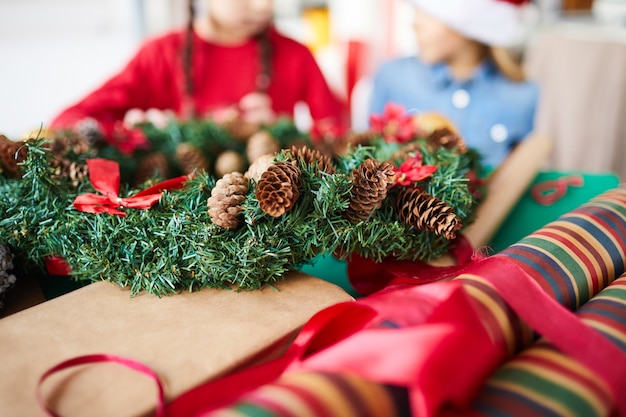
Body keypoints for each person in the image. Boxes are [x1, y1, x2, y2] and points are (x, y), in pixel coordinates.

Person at [49, 0, 344, 135]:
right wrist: (137, 136)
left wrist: (283, 134)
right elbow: (68, 120)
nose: (263, 6)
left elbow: (338, 134)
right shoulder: (160, 54)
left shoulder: (295, 55)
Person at [369, 0, 539, 168]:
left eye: (429, 11)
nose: (415, 23)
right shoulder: (394, 77)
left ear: (471, 21)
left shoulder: (523, 96)